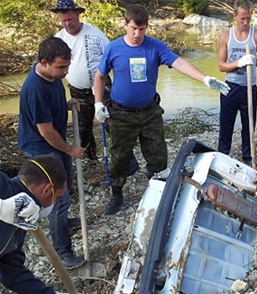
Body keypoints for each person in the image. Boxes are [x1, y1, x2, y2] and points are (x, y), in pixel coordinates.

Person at [93, 4, 230, 215]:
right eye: (133, 28)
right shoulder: (113, 48)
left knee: (158, 158)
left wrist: (205, 79)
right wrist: (98, 102)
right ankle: (117, 193)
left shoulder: (155, 47)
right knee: (119, 156)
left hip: (149, 113)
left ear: (147, 27)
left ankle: (158, 192)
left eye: (142, 29)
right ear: (125, 25)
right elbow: (100, 76)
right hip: (121, 114)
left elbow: (180, 63)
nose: (137, 34)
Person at [18, 36, 85, 269]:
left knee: (65, 187)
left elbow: (51, 103)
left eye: (67, 66)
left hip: (54, 143)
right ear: (45, 62)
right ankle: (63, 252)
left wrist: (65, 104)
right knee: (59, 198)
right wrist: (70, 150)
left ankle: (63, 223)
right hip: (43, 147)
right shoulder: (35, 88)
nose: (66, 72)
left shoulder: (51, 75)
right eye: (61, 67)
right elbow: (46, 131)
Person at [0, 156, 88, 294]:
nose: (56, 202)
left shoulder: (20, 225)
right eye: (58, 198)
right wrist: (1, 207)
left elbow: (12, 273)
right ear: (47, 190)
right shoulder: (3, 187)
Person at [50, 0, 110, 160]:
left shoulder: (95, 34)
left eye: (71, 19)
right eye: (64, 21)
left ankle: (123, 159)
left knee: (113, 123)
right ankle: (91, 160)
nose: (68, 23)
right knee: (84, 129)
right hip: (78, 91)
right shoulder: (58, 40)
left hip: (103, 87)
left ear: (78, 15)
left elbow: (112, 58)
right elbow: (51, 69)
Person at [217, 0, 257, 164]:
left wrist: (252, 60)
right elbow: (221, 66)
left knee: (248, 127)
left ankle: (248, 158)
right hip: (230, 87)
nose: (245, 22)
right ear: (235, 16)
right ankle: (222, 158)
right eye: (242, 19)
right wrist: (238, 63)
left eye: (248, 18)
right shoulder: (226, 36)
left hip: (249, 87)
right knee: (226, 126)